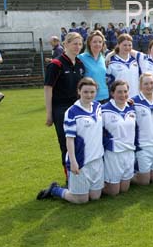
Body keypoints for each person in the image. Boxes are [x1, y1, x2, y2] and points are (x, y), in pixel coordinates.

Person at [36, 78, 104, 204]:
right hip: (81, 160)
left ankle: (81, 187)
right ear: (79, 92)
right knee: (81, 200)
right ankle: (55, 190)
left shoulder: (98, 106)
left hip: (97, 159)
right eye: (85, 92)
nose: (89, 95)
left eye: (92, 92)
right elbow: (69, 139)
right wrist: (73, 162)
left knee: (95, 197)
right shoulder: (72, 112)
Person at [44, 32, 85, 176]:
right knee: (66, 144)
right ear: (65, 44)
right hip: (61, 109)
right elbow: (48, 88)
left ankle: (81, 173)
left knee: (79, 142)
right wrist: (49, 114)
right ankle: (69, 177)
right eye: (74, 43)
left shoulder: (80, 64)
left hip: (77, 109)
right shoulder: (56, 64)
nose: (77, 47)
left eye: (80, 44)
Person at [102, 80, 136, 196]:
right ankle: (92, 187)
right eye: (119, 92)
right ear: (112, 93)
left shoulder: (131, 108)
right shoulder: (103, 109)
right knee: (113, 192)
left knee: (124, 189)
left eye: (125, 92)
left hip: (129, 151)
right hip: (114, 153)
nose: (123, 95)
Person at [131, 73, 153, 185]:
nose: (149, 86)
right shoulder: (133, 102)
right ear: (140, 86)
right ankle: (127, 176)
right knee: (144, 182)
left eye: (151, 83)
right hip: (142, 146)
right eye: (146, 84)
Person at [78, 31, 109, 103]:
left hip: (105, 96)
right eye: (94, 42)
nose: (97, 44)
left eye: (100, 42)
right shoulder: (81, 58)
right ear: (89, 43)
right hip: (89, 97)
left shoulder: (103, 58)